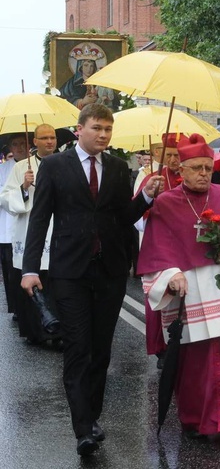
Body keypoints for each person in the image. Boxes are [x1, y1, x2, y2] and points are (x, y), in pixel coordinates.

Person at [21, 104, 161, 456]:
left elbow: (123, 216)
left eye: (108, 130)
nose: (103, 135)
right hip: (69, 272)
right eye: (97, 128)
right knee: (78, 349)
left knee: (101, 351)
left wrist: (145, 197)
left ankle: (92, 417)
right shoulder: (54, 166)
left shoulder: (115, 167)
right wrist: (30, 269)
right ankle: (82, 428)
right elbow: (39, 219)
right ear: (79, 130)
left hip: (110, 271)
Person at [139, 133, 220, 444]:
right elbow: (156, 251)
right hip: (189, 290)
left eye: (208, 168)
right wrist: (170, 275)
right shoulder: (166, 203)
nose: (204, 174)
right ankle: (195, 419)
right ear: (181, 170)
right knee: (194, 358)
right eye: (196, 168)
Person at [0, 125, 58, 344]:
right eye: (44, 138)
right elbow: (6, 199)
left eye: (52, 137)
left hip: (56, 228)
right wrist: (24, 187)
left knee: (55, 282)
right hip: (29, 229)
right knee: (32, 281)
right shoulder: (22, 167)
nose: (49, 141)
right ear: (35, 141)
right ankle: (35, 332)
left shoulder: (65, 163)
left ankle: (56, 329)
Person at [136, 134, 183, 365]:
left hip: (183, 246)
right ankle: (161, 348)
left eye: (177, 155)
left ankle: (184, 344)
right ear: (161, 155)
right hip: (158, 244)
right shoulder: (151, 178)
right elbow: (135, 215)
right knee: (158, 295)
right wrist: (152, 200)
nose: (174, 160)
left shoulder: (187, 177)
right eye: (170, 155)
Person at [0, 134, 28, 317]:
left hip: (30, 227)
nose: (18, 147)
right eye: (15, 144)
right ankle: (16, 307)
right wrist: (20, 190)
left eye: (22, 143)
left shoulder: (36, 166)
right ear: (10, 147)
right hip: (7, 229)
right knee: (11, 272)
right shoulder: (3, 170)